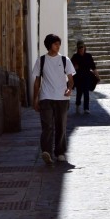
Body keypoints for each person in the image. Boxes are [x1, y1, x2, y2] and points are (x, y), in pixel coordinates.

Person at [31, 33, 75, 164]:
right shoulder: (41, 60)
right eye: (56, 44)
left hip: (62, 98)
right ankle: (46, 152)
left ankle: (60, 152)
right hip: (46, 97)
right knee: (47, 126)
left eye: (59, 43)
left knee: (61, 125)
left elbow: (71, 79)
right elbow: (37, 81)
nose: (58, 46)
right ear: (50, 45)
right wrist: (35, 99)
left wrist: (69, 88)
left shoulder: (65, 60)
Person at [70, 41, 98, 114]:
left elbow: (93, 67)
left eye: (82, 47)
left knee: (86, 92)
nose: (81, 49)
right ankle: (78, 105)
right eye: (79, 47)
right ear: (77, 48)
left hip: (87, 77)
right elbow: (69, 67)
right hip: (79, 77)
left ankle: (86, 108)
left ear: (84, 47)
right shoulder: (75, 57)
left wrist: (98, 76)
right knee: (79, 92)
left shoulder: (88, 56)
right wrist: (74, 67)